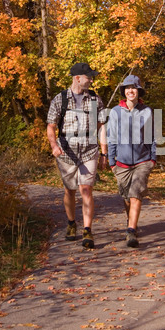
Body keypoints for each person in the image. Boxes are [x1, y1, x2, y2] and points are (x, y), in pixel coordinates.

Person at [47, 62, 107, 249]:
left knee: (86, 189)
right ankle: (72, 223)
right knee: (70, 190)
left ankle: (87, 230)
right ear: (77, 78)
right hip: (66, 152)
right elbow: (51, 125)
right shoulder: (60, 99)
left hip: (89, 150)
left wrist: (104, 152)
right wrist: (54, 145)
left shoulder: (95, 99)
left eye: (91, 77)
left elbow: (102, 126)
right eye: (89, 77)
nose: (91, 80)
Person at [108, 75, 156, 248]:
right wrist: (111, 161)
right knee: (127, 197)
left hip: (143, 161)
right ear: (124, 92)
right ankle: (131, 222)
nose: (130, 91)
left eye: (134, 88)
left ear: (138, 91)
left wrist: (153, 159)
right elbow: (111, 137)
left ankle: (131, 231)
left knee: (135, 195)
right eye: (127, 88)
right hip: (121, 163)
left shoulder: (147, 111)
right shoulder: (115, 112)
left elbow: (151, 136)